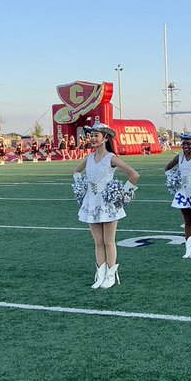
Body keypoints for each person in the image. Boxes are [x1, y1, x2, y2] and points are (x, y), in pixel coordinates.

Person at [74, 124, 140, 289]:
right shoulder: (89, 158)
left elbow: (134, 174)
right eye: (92, 135)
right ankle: (100, 275)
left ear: (105, 138)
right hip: (92, 203)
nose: (93, 138)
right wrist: (81, 189)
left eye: (97, 135)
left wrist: (123, 194)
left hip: (108, 204)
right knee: (98, 242)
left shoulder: (111, 158)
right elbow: (76, 172)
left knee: (109, 241)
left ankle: (111, 275)